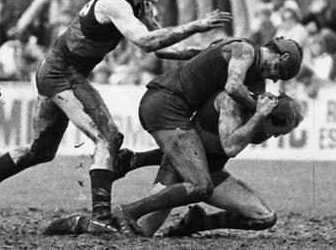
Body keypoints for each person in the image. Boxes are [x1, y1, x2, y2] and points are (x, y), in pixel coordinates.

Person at [0, 0, 232, 235]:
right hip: (61, 73)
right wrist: (197, 25)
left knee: (41, 151)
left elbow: (162, 48)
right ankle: (101, 216)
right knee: (107, 137)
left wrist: (200, 55)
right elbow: (146, 42)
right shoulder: (116, 3)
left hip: (60, 71)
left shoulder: (140, 4)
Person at [110, 36, 303, 235]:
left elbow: (206, 52)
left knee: (265, 217)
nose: (274, 79)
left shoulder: (251, 81)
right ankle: (115, 214)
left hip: (209, 165)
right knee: (149, 225)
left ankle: (197, 222)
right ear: (283, 55)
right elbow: (231, 144)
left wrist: (173, 51)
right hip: (167, 104)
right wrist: (259, 113)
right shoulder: (243, 63)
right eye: (280, 71)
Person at [43, 91, 303, 237]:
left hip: (211, 174)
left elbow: (207, 151)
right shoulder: (231, 105)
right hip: (179, 168)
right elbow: (224, 147)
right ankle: (82, 222)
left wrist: (140, 160)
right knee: (138, 234)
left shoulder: (258, 120)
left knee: (265, 218)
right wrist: (142, 160)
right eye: (278, 130)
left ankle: (197, 223)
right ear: (267, 116)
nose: (277, 136)